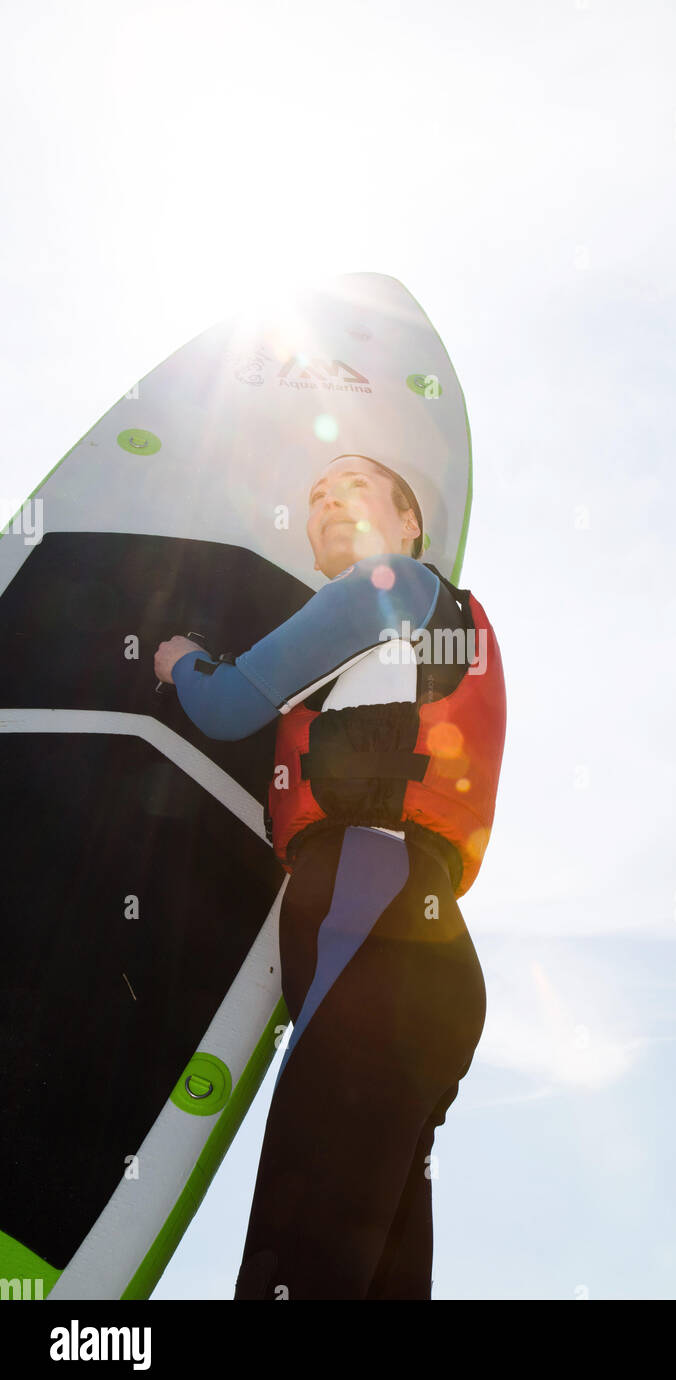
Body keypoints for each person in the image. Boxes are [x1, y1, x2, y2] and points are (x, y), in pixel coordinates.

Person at [153, 453, 506, 1299]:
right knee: (376, 1271)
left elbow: (231, 704)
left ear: (410, 525)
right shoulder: (414, 637)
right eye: (315, 498)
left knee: (297, 1260)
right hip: (420, 954)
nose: (328, 502)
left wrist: (178, 662)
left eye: (353, 487)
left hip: (371, 933)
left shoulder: (393, 582)